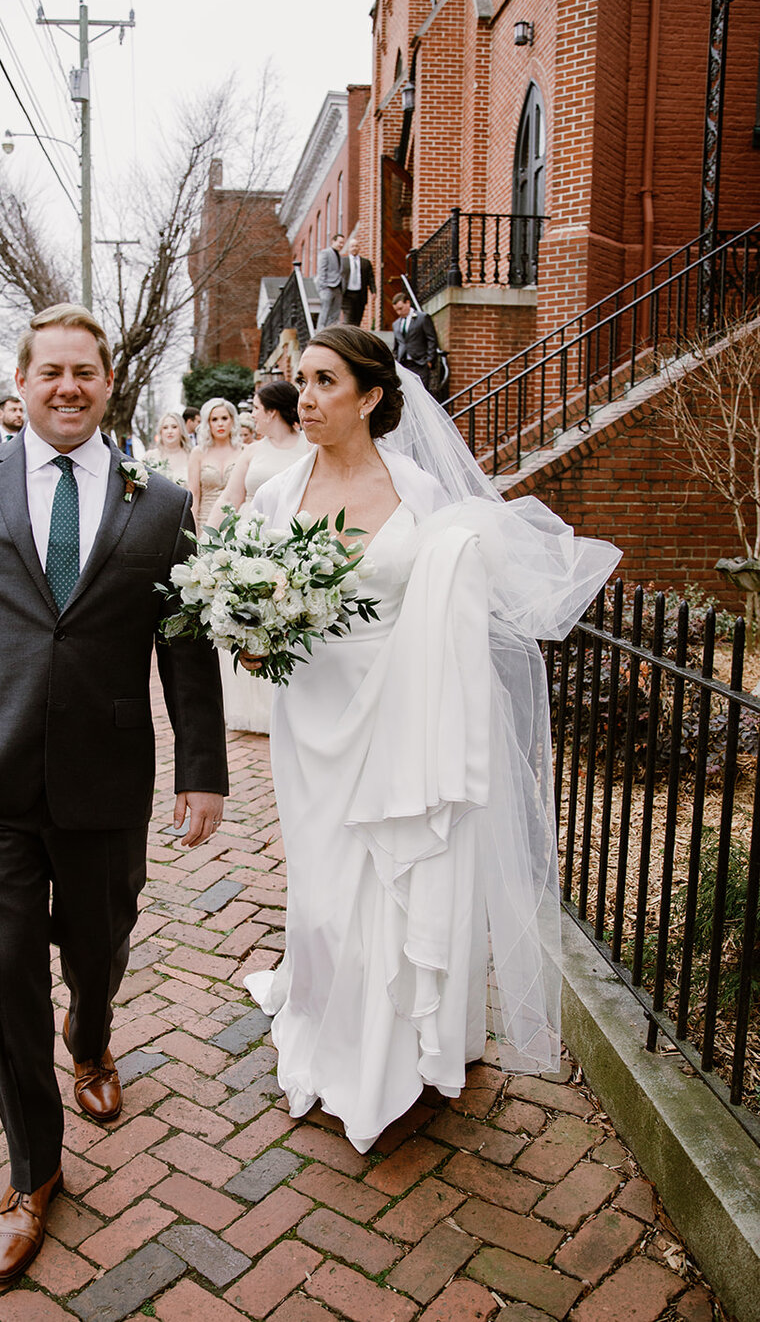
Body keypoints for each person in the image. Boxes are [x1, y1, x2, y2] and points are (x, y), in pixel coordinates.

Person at [0, 303, 227, 1283]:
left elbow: (185, 639)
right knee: (2, 988)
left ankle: (94, 1034)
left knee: (99, 946)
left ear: (107, 383)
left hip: (104, 785)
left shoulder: (157, 502)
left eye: (87, 371)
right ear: (21, 385)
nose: (68, 386)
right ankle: (33, 1172)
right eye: (51, 372)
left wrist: (202, 766)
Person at [242, 324, 619, 1152]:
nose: (304, 398)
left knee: (390, 872)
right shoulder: (273, 497)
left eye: (324, 382)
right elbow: (247, 607)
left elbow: (465, 603)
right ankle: (323, 1007)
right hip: (311, 714)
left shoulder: (421, 493)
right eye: (300, 381)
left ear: (371, 398)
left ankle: (389, 1053)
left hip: (399, 704)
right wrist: (251, 629)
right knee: (324, 879)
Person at [207, 381, 310, 734]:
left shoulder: (309, 447)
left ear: (272, 411)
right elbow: (230, 497)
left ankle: (284, 706)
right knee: (248, 619)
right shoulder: (251, 451)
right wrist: (207, 540)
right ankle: (252, 709)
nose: (251, 414)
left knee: (283, 617)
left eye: (255, 407)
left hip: (292, 542)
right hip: (249, 542)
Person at [187, 397, 242, 529]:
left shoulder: (243, 451)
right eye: (214, 419)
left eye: (224, 418)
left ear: (232, 420)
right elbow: (193, 494)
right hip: (205, 524)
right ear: (208, 423)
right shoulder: (198, 453)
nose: (220, 424)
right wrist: (191, 528)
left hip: (237, 524)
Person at [392, 292, 442, 393]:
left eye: (400, 308)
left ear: (408, 303)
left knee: (421, 392)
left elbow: (431, 339)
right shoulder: (396, 324)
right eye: (396, 310)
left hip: (420, 363)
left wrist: (429, 360)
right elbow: (397, 345)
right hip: (404, 364)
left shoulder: (422, 318)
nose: (399, 312)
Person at [340, 237, 376, 326]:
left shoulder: (366, 263)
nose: (354, 248)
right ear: (349, 248)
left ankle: (355, 337)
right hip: (347, 294)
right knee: (348, 318)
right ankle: (347, 336)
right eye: (352, 246)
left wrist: (373, 291)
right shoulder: (343, 262)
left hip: (360, 294)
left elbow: (370, 278)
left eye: (356, 246)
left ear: (359, 248)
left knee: (358, 319)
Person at [148, 411, 191, 485]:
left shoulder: (191, 455)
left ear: (181, 430)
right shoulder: (150, 456)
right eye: (165, 428)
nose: (169, 431)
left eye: (174, 427)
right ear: (160, 431)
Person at [315, 232, 345, 327]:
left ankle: (331, 334)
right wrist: (323, 287)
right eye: (340, 242)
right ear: (333, 241)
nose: (341, 245)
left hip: (338, 288)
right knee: (325, 312)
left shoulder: (339, 256)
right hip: (327, 287)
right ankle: (320, 332)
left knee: (335, 314)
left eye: (343, 243)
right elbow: (321, 270)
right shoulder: (325, 253)